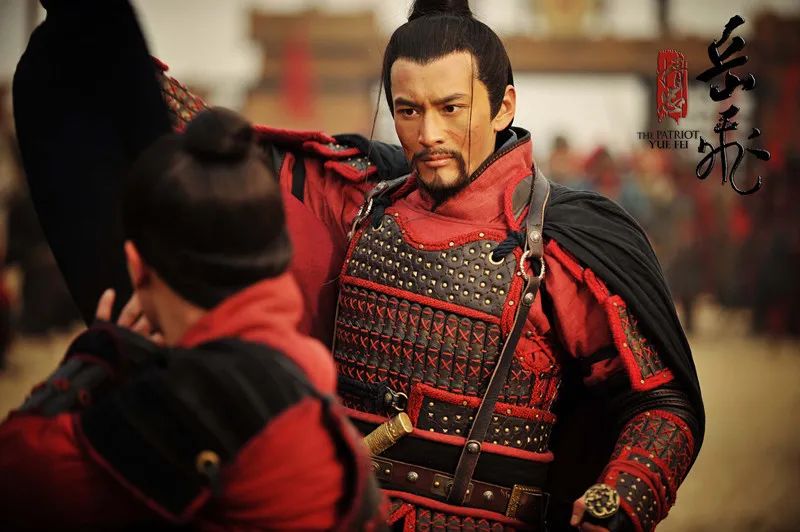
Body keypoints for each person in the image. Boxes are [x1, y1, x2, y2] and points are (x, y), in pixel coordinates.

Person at [13, 0, 704, 530]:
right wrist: (100, 30)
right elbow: (215, 145)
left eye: (451, 108)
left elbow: (659, 400)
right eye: (408, 110)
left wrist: (620, 499)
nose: (428, 134)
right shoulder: (361, 197)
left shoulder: (559, 246)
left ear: (504, 106)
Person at [0, 108, 382, 530]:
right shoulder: (304, 365)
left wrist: (95, 361)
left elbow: (16, 471)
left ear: (137, 267)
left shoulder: (202, 394)